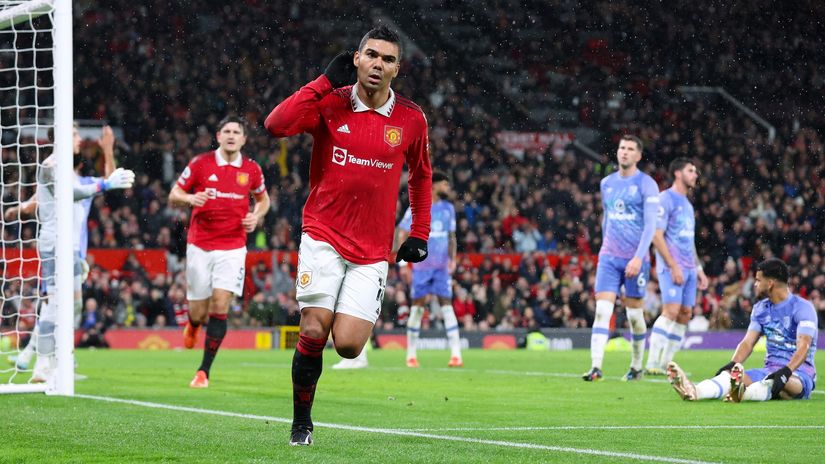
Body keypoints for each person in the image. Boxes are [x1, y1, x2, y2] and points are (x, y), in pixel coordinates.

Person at [264, 25, 432, 446]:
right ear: (356, 59)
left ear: (398, 68)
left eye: (387, 59)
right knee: (314, 328)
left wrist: (419, 232)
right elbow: (275, 125)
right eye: (371, 55)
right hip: (323, 233)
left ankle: (332, 350)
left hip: (373, 248)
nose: (378, 64)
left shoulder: (411, 119)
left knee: (349, 346)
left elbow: (422, 178)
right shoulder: (329, 103)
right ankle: (302, 422)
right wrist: (322, 82)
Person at [5, 124, 134, 382]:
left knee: (71, 305)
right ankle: (41, 364)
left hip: (72, 249)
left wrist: (108, 155)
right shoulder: (52, 165)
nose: (80, 140)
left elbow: (104, 182)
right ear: (63, 138)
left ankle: (55, 361)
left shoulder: (75, 175)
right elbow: (68, 193)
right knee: (56, 304)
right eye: (75, 135)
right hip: (55, 245)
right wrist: (105, 185)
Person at [169, 116, 270, 389]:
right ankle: (192, 324)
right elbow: (174, 193)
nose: (231, 135)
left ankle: (204, 371)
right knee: (200, 311)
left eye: (237, 131)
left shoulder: (251, 169)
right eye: (226, 130)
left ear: (244, 139)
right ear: (218, 135)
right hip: (200, 245)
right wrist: (190, 198)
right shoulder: (201, 164)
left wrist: (256, 215)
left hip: (233, 247)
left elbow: (264, 200)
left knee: (220, 303)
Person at [668, 258, 817, 402]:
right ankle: (695, 391)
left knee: (782, 383)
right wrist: (733, 363)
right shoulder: (760, 309)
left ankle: (744, 392)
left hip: (799, 374)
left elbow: (804, 345)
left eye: (758, 280)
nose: (755, 285)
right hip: (768, 371)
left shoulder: (802, 308)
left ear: (770, 283)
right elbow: (747, 343)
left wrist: (786, 372)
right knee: (731, 376)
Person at [583, 135, 659, 382]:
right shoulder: (607, 183)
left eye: (629, 149)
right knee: (602, 311)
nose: (624, 152)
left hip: (635, 259)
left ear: (638, 155)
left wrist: (638, 258)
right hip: (609, 257)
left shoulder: (647, 184)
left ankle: (636, 366)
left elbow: (650, 226)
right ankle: (596, 367)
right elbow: (607, 217)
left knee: (634, 317)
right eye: (621, 148)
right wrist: (605, 244)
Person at [644, 158, 709, 375]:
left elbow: (689, 241)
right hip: (672, 267)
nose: (695, 174)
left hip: (689, 268)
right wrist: (673, 266)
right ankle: (652, 362)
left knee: (685, 313)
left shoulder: (688, 206)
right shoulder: (665, 199)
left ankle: (666, 363)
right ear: (678, 174)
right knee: (671, 310)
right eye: (691, 170)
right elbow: (656, 235)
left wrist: (699, 269)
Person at [400, 170, 461, 368]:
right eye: (444, 184)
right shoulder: (418, 207)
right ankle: (411, 355)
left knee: (447, 304)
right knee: (417, 307)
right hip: (422, 267)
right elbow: (401, 233)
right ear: (434, 185)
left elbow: (452, 237)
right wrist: (402, 263)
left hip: (442, 267)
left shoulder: (448, 209)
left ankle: (456, 355)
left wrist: (452, 260)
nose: (447, 188)